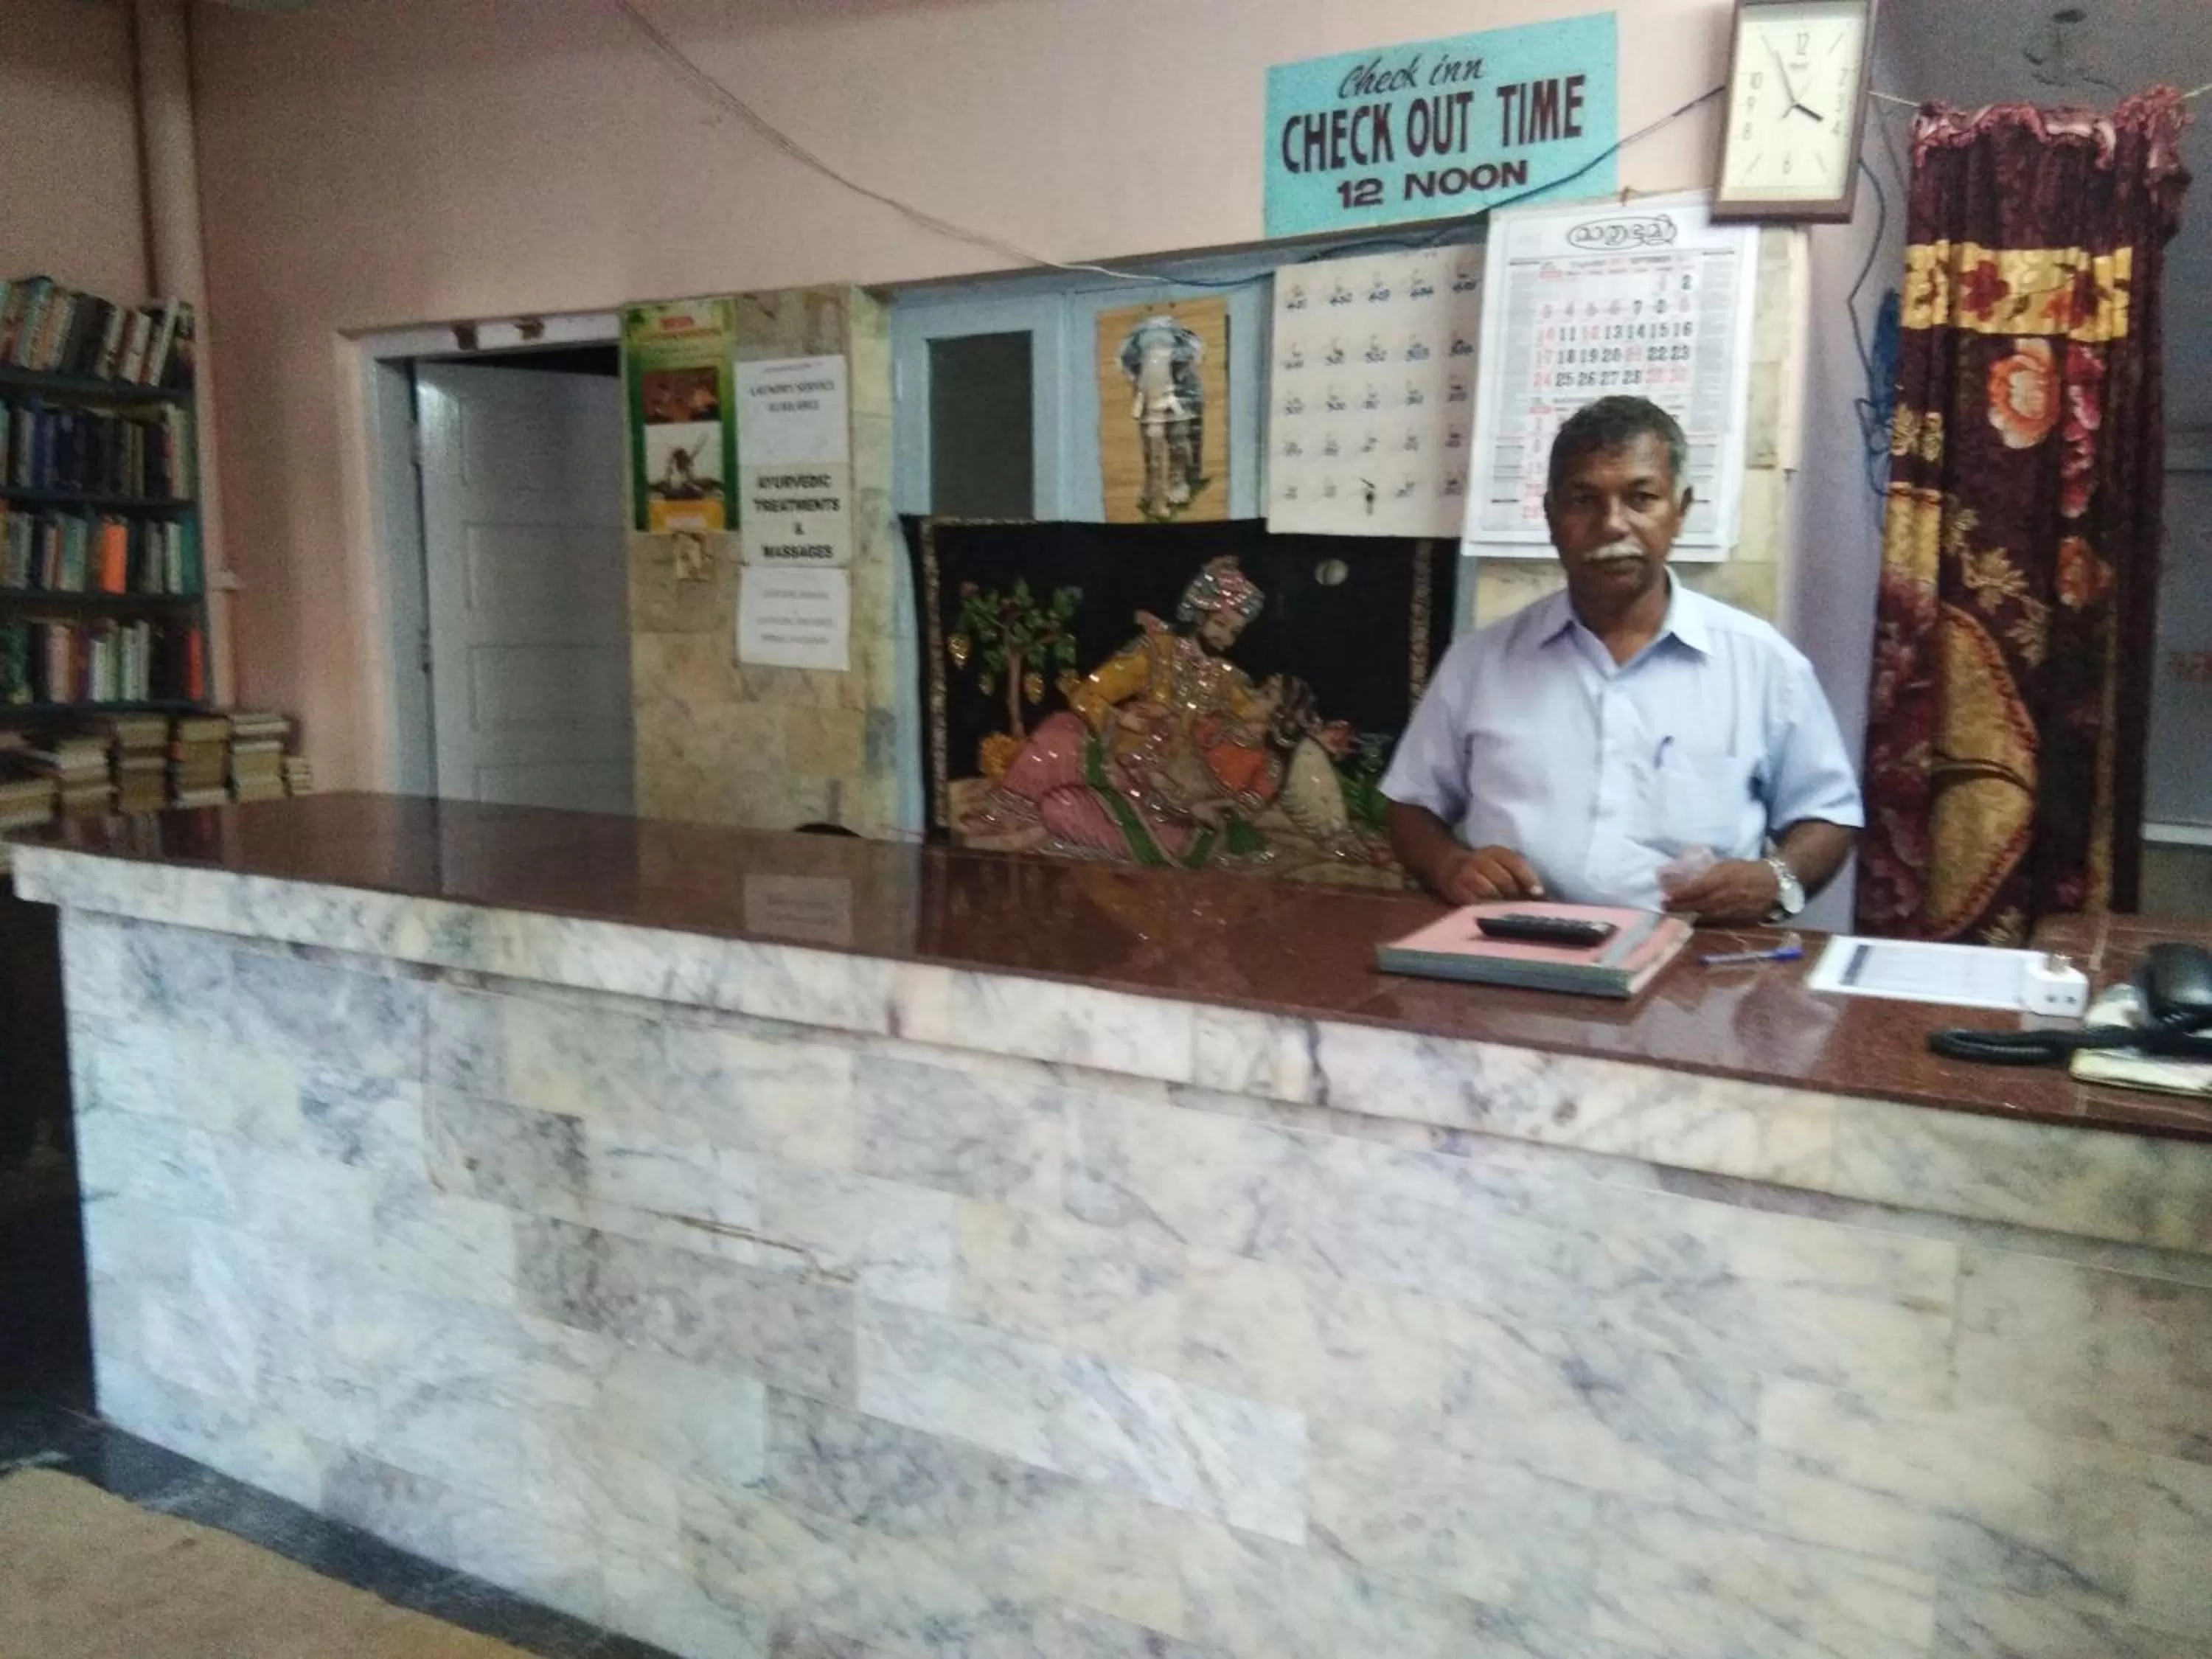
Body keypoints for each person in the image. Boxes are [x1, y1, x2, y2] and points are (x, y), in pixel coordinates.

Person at [1382, 396, 1861, 924]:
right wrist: (1450, 865)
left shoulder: (1762, 664)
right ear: (1551, 516)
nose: (1612, 524)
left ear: (1680, 512)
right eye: (1583, 500)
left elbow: (1829, 816)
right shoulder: (1480, 662)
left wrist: (1777, 878)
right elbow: (1410, 804)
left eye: (1641, 498)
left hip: (1694, 951)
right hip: (1515, 942)